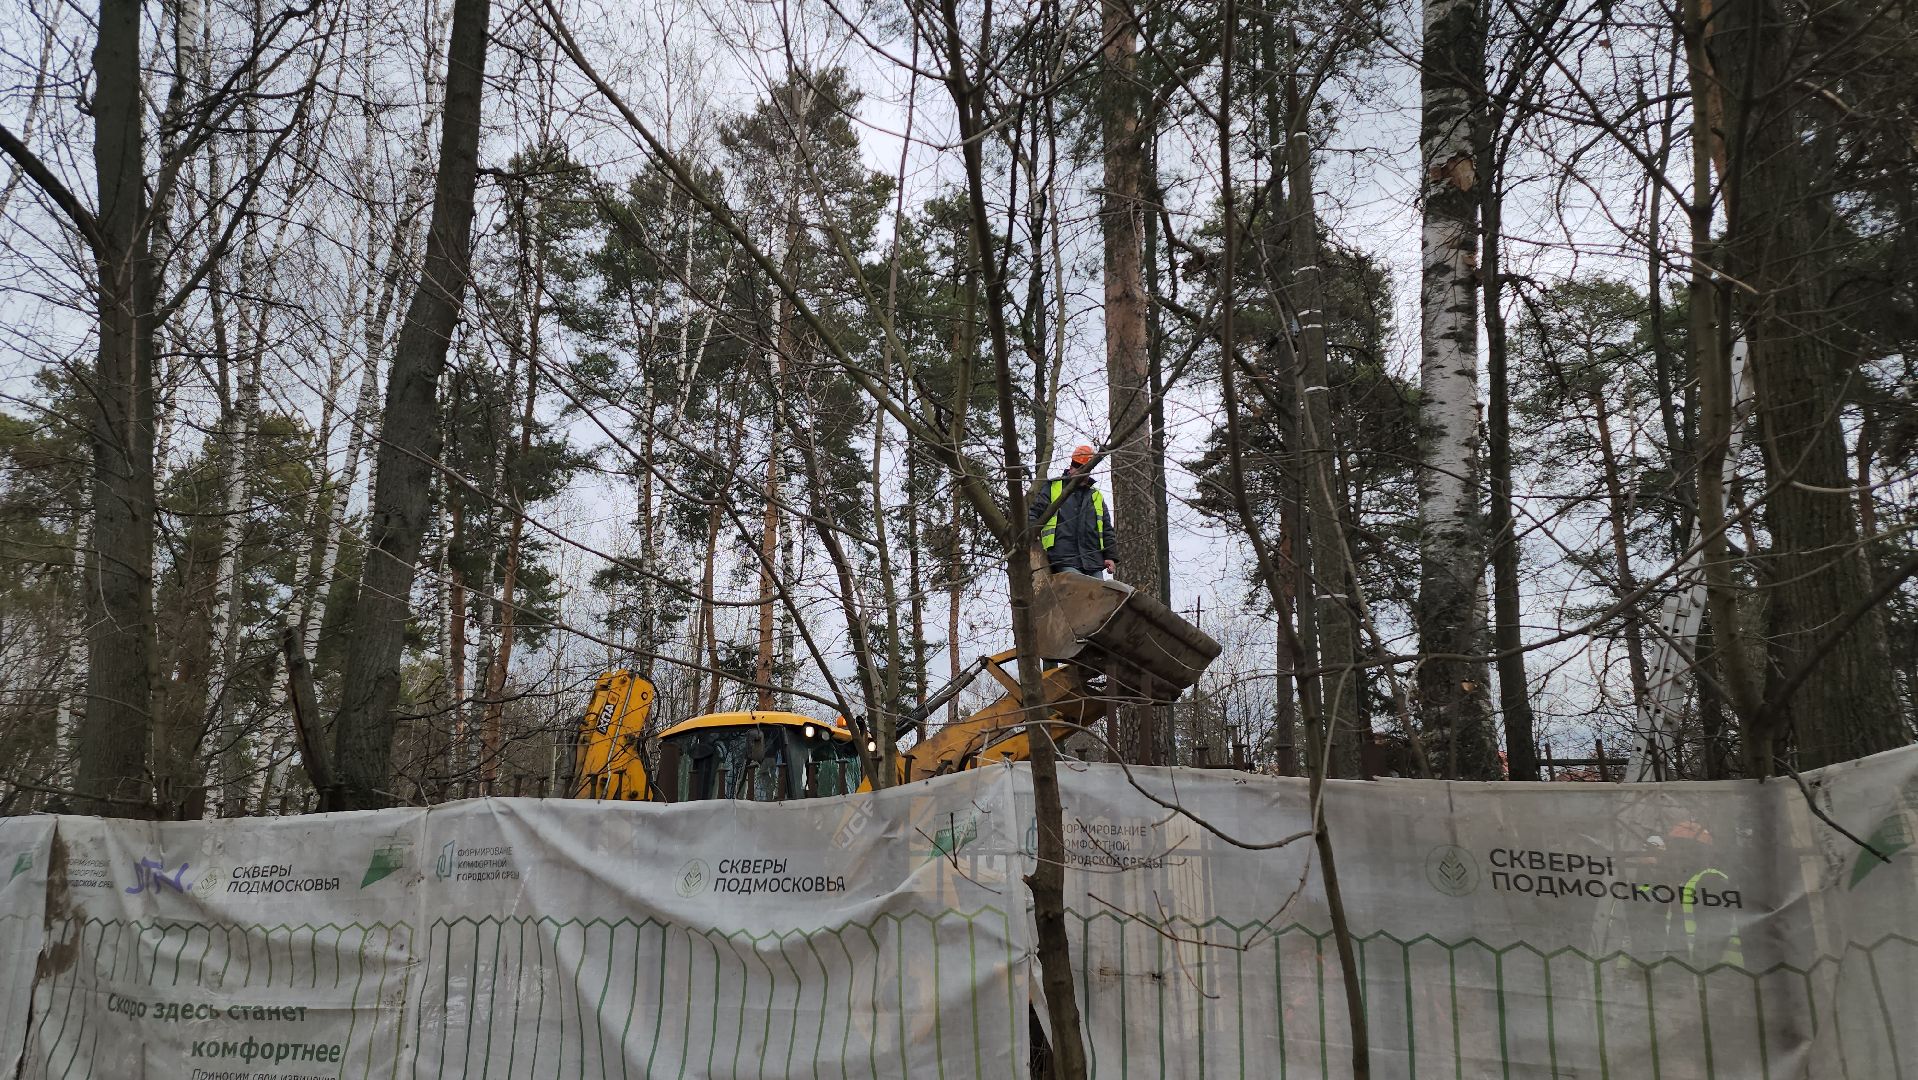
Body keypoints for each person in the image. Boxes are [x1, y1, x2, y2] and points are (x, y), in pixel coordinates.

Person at [1030, 444, 1117, 578]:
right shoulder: (1053, 487)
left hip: (1093, 561)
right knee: (1080, 587)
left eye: (1087, 471)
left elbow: (1107, 530)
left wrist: (1110, 557)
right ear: (1071, 467)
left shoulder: (1096, 496)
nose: (1084, 475)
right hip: (1062, 558)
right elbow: (1035, 513)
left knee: (1101, 592)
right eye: (1080, 470)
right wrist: (1031, 535)